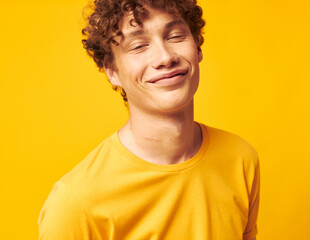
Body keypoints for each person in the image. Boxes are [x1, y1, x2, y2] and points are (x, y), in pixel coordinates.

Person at [37, 0, 260, 239]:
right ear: (112, 70)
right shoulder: (76, 202)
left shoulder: (241, 159)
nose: (165, 58)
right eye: (139, 46)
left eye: (175, 36)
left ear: (197, 47)